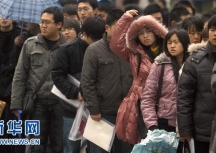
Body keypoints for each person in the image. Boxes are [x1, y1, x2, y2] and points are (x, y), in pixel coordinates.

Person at [11, 6, 66, 153]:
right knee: (36, 145)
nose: (43, 25)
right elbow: (20, 75)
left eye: (47, 22)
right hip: (37, 103)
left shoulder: (68, 46)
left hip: (60, 104)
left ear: (59, 25)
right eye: (41, 21)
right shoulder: (30, 44)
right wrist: (16, 103)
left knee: (58, 145)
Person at [109, 10, 168, 144]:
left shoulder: (168, 50)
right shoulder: (134, 53)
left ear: (156, 31)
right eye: (140, 33)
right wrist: (125, 20)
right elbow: (116, 45)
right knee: (140, 141)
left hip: (164, 100)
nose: (145, 36)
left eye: (148, 31)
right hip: (139, 100)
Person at [81, 9, 133, 152]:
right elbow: (87, 82)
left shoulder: (131, 50)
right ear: (107, 28)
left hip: (126, 114)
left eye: (126, 28)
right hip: (102, 115)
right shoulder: (94, 50)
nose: (122, 31)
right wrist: (94, 109)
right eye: (118, 27)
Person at [52, 16, 105, 153]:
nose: (97, 43)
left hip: (98, 109)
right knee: (71, 147)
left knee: (97, 148)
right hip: (72, 108)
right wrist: (75, 92)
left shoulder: (105, 48)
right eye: (94, 39)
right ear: (84, 34)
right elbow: (57, 75)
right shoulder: (67, 49)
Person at [0, 15, 27, 153]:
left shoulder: (20, 35)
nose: (4, 19)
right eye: (1, 16)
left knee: (11, 128)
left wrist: (18, 44)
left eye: (8, 16)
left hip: (12, 88)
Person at [177, 14, 216, 153]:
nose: (215, 33)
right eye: (212, 29)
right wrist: (184, 129)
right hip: (203, 131)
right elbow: (184, 97)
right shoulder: (195, 61)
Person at [141, 28, 190, 133]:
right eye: (169, 42)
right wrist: (152, 126)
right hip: (164, 122)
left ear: (185, 43)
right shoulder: (160, 64)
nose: (172, 45)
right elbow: (148, 97)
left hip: (188, 122)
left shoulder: (193, 63)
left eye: (176, 42)